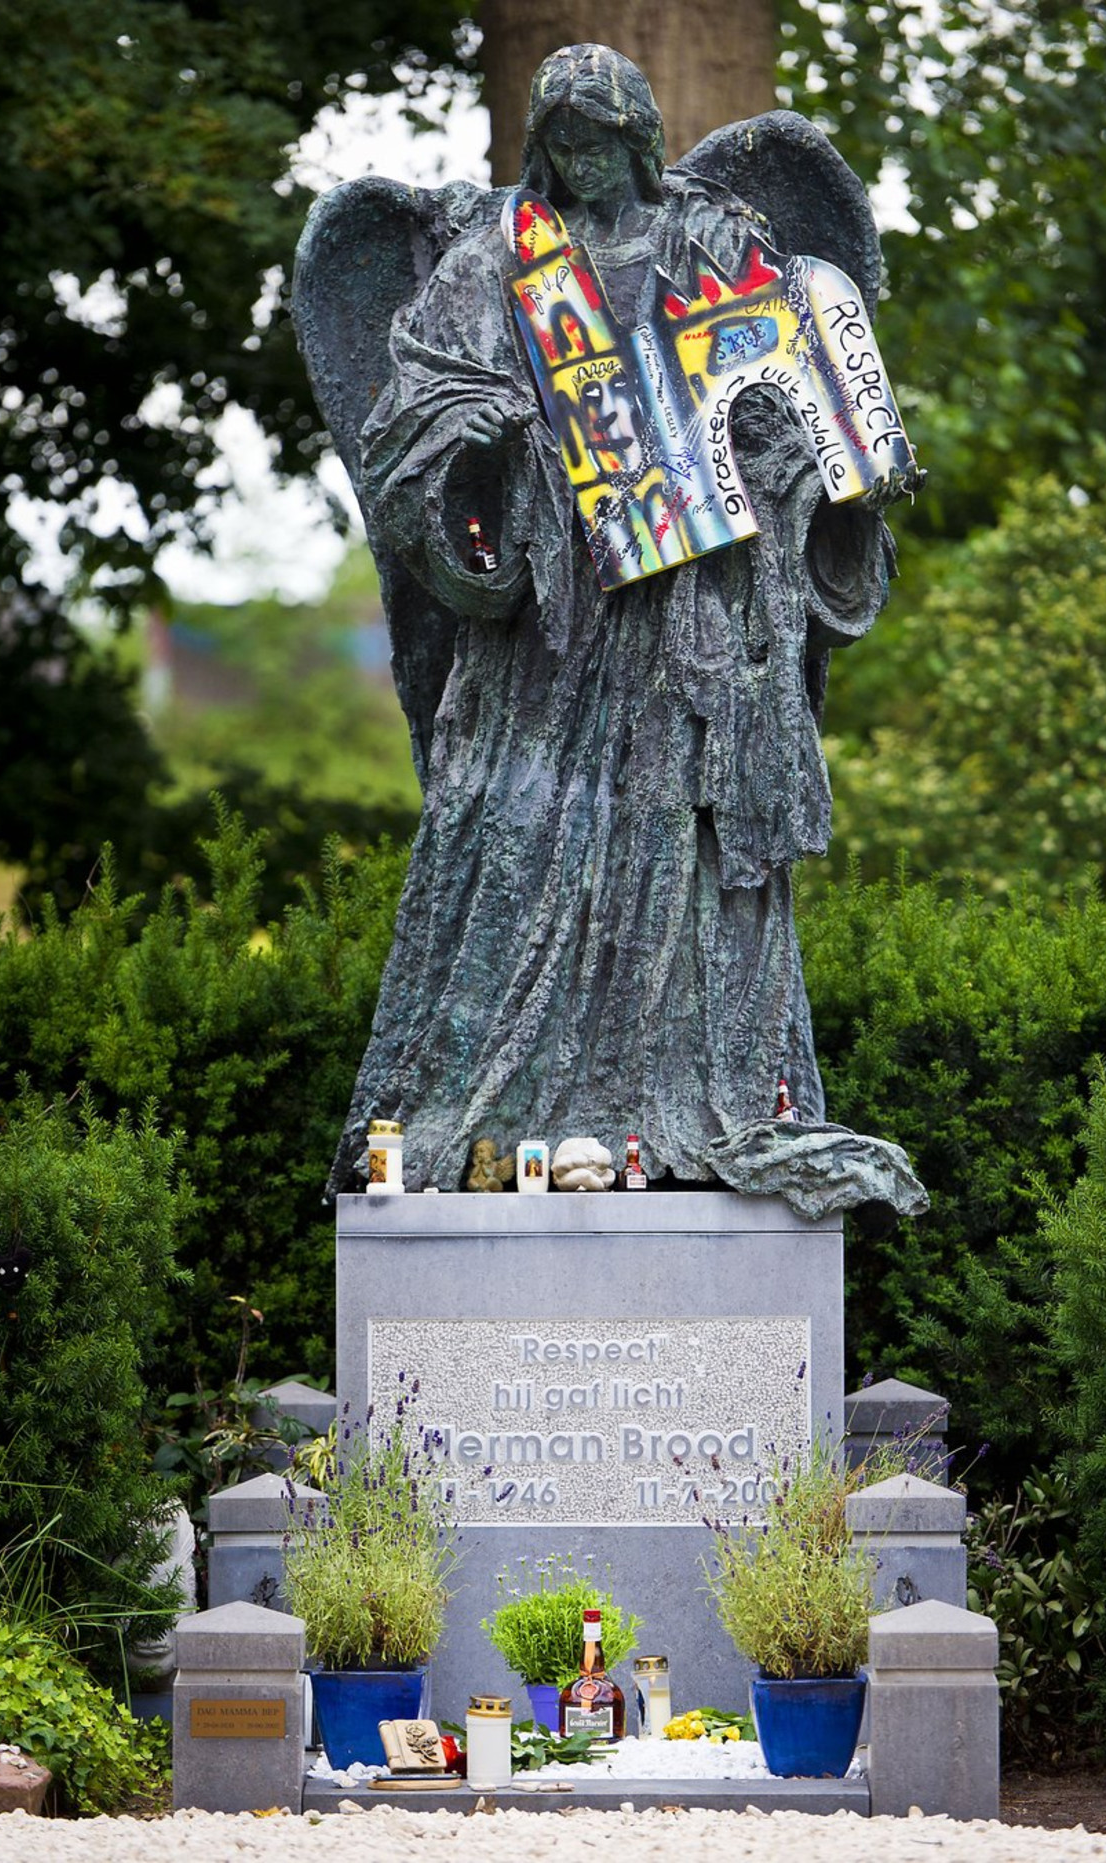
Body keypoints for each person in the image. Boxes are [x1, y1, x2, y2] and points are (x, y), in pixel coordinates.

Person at [329, 44, 919, 1212]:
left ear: (640, 137)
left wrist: (832, 468)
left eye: (601, 137)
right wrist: (475, 433)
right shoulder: (496, 260)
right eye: (562, 140)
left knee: (691, 872)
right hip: (547, 642)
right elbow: (409, 419)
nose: (583, 159)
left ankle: (694, 1118)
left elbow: (804, 391)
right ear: (542, 147)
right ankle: (494, 1134)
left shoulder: (720, 242)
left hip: (696, 636)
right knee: (519, 846)